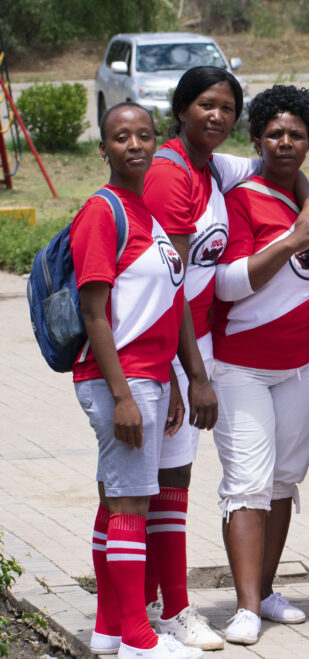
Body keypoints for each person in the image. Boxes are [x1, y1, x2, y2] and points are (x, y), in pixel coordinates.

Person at [143, 65, 309, 651]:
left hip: (204, 349)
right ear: (182, 109)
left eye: (226, 107)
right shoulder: (172, 175)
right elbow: (173, 282)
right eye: (205, 105)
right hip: (173, 351)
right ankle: (158, 610)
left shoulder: (215, 166)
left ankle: (169, 603)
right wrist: (188, 375)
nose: (216, 116)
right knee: (146, 485)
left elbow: (288, 166)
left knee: (175, 481)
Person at [75, 101, 205, 659]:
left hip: (147, 377)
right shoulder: (102, 211)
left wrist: (173, 377)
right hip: (119, 380)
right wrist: (123, 395)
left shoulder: (144, 213)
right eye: (121, 137)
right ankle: (138, 638)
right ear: (103, 148)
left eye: (144, 135)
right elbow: (94, 312)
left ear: (157, 142)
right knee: (131, 505)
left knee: (117, 503)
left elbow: (160, 304)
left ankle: (110, 629)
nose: (134, 145)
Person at [211, 85, 309, 645]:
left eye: (296, 134)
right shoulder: (241, 199)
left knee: (284, 481)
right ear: (256, 139)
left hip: (302, 366)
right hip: (243, 368)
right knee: (247, 484)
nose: (286, 142)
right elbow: (227, 285)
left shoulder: (305, 200)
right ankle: (245, 608)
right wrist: (292, 242)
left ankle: (267, 590)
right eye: (275, 133)